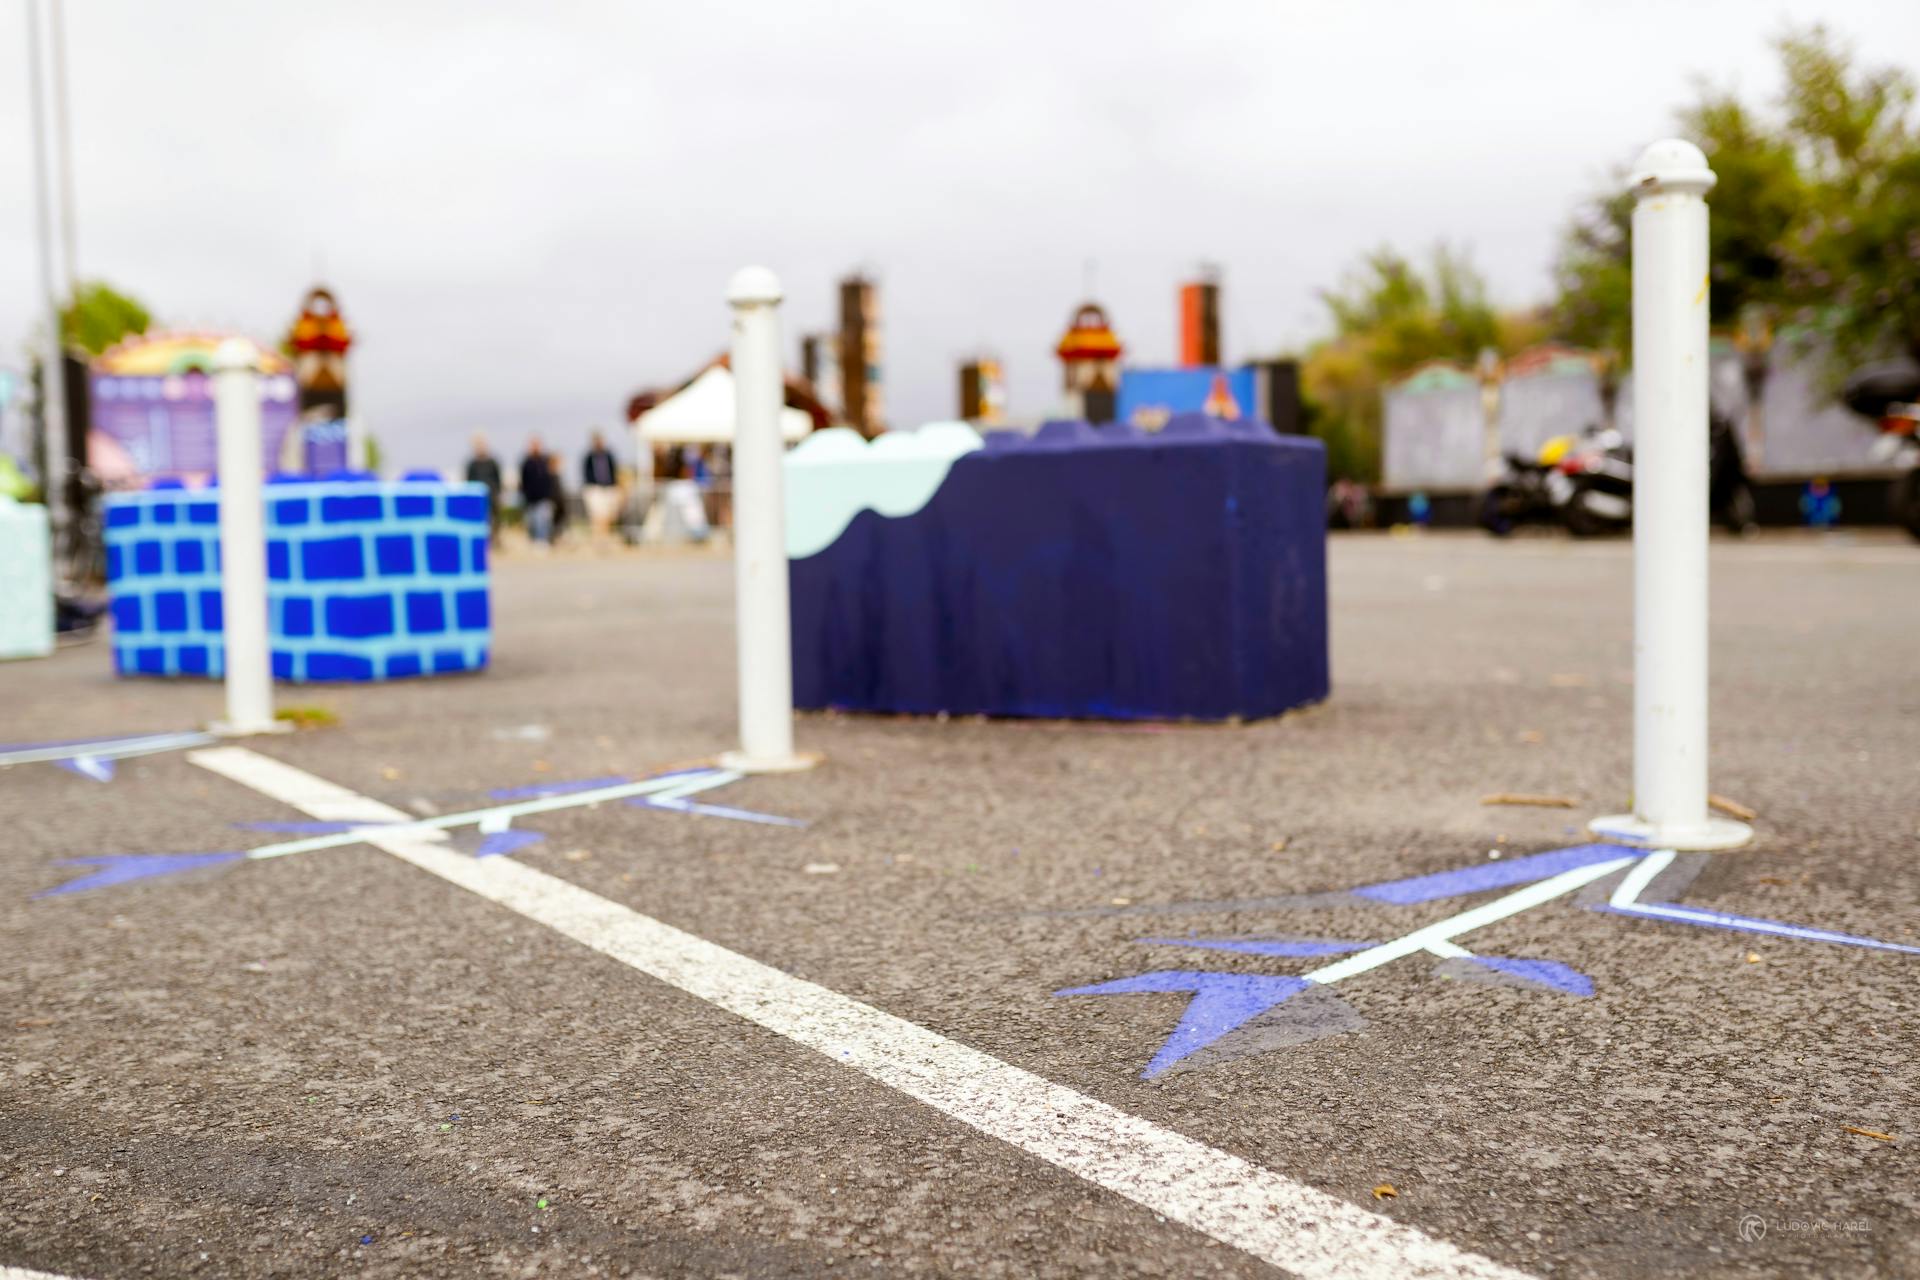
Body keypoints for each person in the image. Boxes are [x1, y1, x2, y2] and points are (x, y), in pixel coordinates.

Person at [581, 429, 621, 540]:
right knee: (597, 515)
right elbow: (586, 473)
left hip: (608, 488)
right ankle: (598, 537)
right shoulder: (589, 457)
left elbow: (614, 471)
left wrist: (615, 486)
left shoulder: (608, 455)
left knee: (608, 515)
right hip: (595, 489)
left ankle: (605, 536)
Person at [464, 434, 504, 544]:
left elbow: (498, 478)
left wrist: (498, 493)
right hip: (478, 497)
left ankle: (496, 539)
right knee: (482, 520)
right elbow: (469, 481)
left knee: (495, 519)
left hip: (492, 494)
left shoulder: (492, 462)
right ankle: (484, 540)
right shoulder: (472, 464)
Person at [520, 436, 556, 546]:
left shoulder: (545, 461)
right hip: (530, 498)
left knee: (543, 521)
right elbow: (523, 480)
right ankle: (534, 540)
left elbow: (551, 479)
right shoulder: (526, 462)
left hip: (544, 496)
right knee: (532, 521)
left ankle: (543, 541)